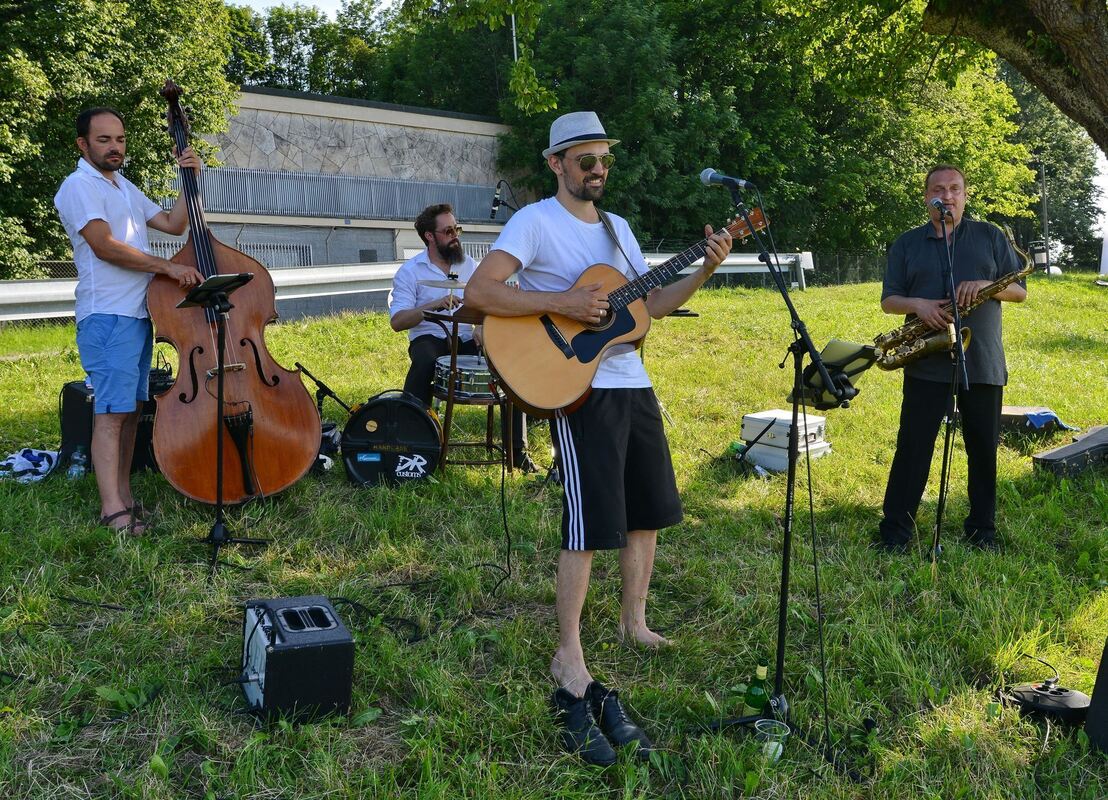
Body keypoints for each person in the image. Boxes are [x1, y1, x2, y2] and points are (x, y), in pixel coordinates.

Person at [465, 111, 732, 765]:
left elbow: (648, 306)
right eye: (586, 160)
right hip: (575, 388)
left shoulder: (619, 230)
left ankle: (633, 622)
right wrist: (560, 304)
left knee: (649, 508)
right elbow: (481, 292)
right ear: (557, 164)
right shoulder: (534, 222)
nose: (598, 170)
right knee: (589, 525)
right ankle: (569, 653)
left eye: (604, 158)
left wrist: (703, 270)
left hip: (631, 382)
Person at [54, 107, 204, 535]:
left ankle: (125, 497)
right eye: (103, 140)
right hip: (107, 315)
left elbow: (175, 225)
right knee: (111, 413)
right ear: (83, 144)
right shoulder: (79, 186)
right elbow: (104, 246)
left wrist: (190, 178)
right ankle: (111, 509)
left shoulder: (122, 185)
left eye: (119, 139)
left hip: (137, 314)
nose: (114, 147)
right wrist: (168, 269)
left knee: (132, 411)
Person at [877, 164, 1027, 552]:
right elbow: (889, 301)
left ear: (964, 195)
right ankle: (895, 531)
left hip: (982, 360)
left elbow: (1020, 292)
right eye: (938, 189)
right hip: (926, 358)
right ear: (927, 196)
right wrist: (919, 306)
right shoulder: (907, 243)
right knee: (913, 445)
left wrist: (986, 287)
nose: (946, 196)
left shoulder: (990, 236)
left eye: (955, 189)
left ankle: (982, 531)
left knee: (982, 447)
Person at [388, 203, 532, 470]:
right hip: (429, 338)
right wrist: (431, 305)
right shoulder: (410, 271)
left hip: (466, 338)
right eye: (448, 231)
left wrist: (482, 325)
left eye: (457, 229)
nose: (456, 236)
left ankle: (517, 452)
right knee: (424, 362)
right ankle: (413, 442)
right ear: (429, 237)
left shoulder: (472, 267)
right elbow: (397, 322)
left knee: (509, 367)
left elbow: (492, 302)